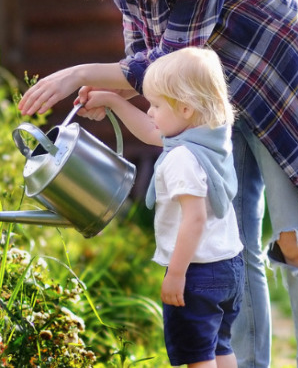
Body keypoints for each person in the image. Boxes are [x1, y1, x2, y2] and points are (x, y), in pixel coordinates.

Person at [17, 0, 298, 366]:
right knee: (230, 243)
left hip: (278, 84)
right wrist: (113, 97)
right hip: (210, 103)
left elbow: (174, 55)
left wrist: (79, 74)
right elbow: (149, 67)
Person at [82, 47, 243, 368]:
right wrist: (113, 101)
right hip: (228, 265)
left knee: (198, 357)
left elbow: (194, 220)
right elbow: (153, 131)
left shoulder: (182, 158)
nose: (150, 112)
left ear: (185, 109)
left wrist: (176, 274)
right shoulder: (211, 137)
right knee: (219, 347)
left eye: (156, 105)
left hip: (195, 269)